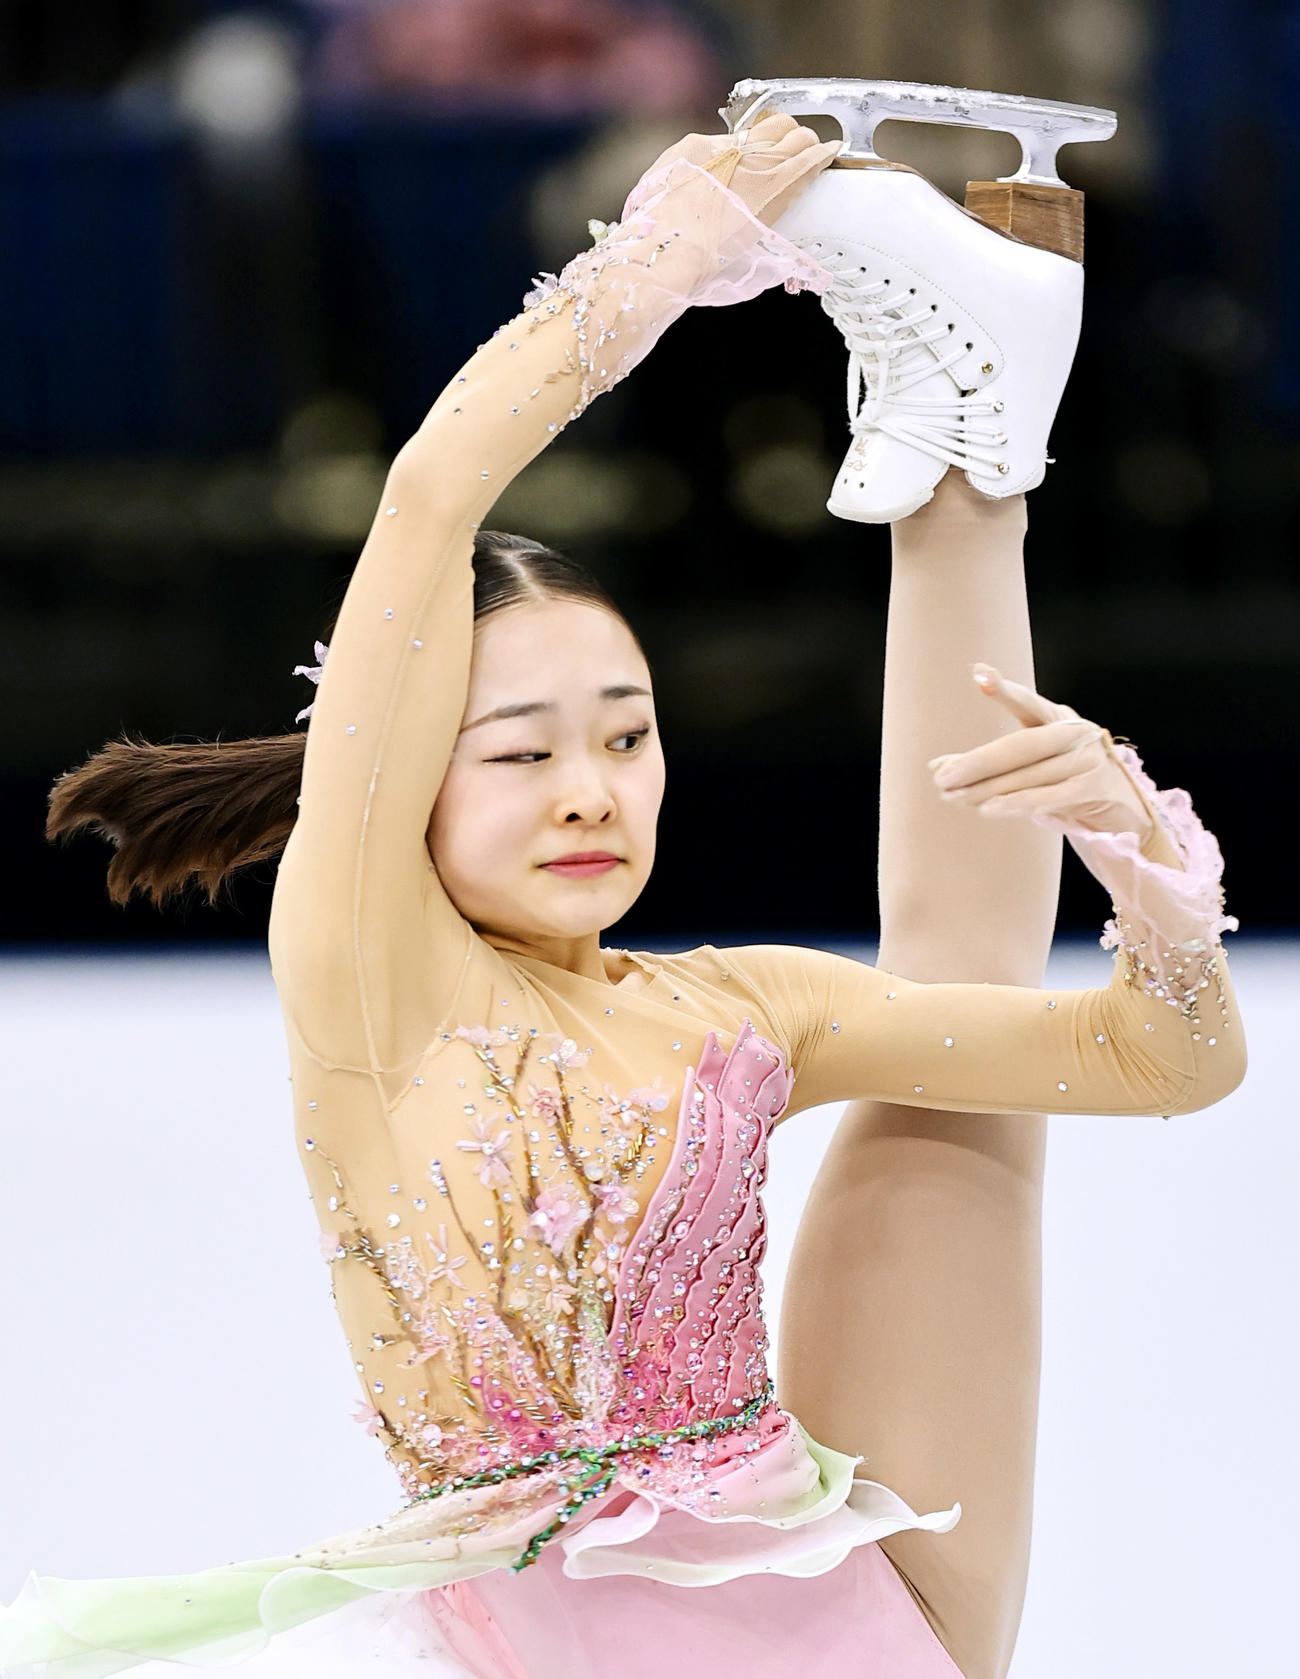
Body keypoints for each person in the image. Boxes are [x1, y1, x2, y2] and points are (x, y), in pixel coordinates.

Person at [1, 116, 1243, 1679]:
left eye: (629, 734)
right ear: (404, 785)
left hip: (851, 1592)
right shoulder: (377, 974)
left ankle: (969, 426)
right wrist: (665, 259)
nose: (592, 787)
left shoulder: (739, 1008)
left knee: (959, 1012)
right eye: (521, 751)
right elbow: (429, 499)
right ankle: (968, 419)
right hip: (620, 1627)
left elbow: (1164, 1062)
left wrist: (1149, 878)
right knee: (950, 979)